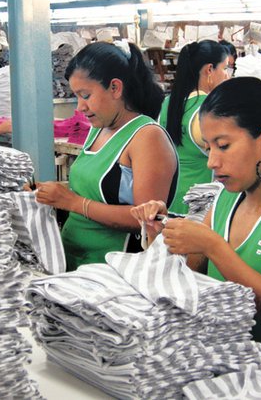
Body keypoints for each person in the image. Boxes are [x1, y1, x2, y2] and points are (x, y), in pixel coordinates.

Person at [132, 77, 261, 366]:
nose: (212, 162)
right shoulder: (227, 199)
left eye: (224, 146)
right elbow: (192, 273)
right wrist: (160, 236)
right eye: (208, 148)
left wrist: (214, 246)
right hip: (225, 362)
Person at [33, 41, 178, 271]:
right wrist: (49, 194)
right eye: (76, 96)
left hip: (114, 269)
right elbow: (89, 192)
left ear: (115, 88)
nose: (80, 107)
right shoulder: (98, 129)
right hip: (74, 259)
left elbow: (147, 220)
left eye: (86, 95)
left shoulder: (147, 137)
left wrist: (72, 202)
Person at [158, 40, 229, 214]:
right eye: (225, 68)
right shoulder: (208, 109)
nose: (227, 75)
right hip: (199, 201)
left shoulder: (169, 103)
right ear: (209, 70)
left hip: (169, 195)